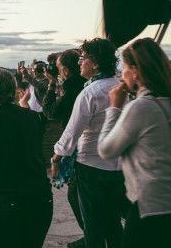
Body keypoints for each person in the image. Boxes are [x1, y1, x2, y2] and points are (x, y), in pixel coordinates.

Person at [98, 37, 171, 248]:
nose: (120, 74)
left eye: (123, 68)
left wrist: (114, 108)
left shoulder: (140, 108)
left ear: (134, 71)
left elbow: (106, 150)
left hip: (153, 213)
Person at [51, 38, 125, 248]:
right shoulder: (120, 87)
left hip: (91, 168)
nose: (79, 63)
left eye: (83, 58)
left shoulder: (90, 93)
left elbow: (71, 133)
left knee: (93, 226)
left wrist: (56, 157)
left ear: (95, 63)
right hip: (117, 166)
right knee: (112, 224)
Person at [0, 68, 53, 248]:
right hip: (40, 198)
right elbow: (25, 124)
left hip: (7, 201)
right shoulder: (34, 118)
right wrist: (23, 103)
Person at [43, 49, 87, 248]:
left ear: (66, 71)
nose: (57, 71)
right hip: (83, 147)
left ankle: (91, 236)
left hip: (80, 149)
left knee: (76, 194)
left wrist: (51, 84)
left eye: (59, 68)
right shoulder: (85, 85)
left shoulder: (73, 89)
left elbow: (51, 111)